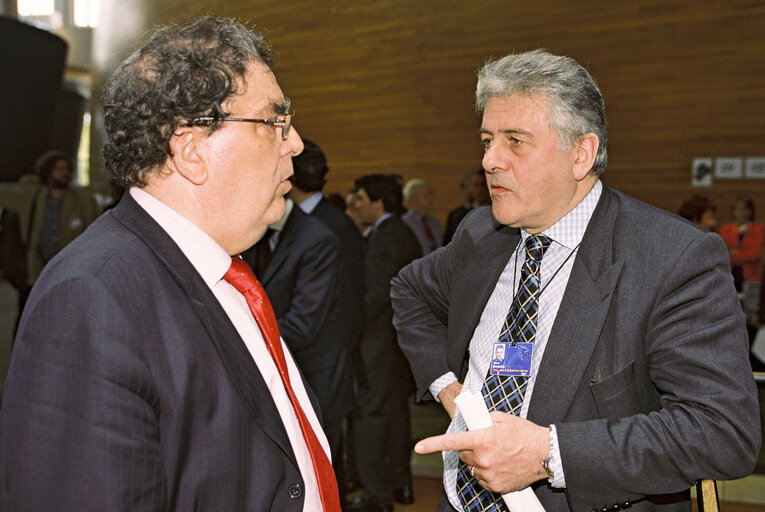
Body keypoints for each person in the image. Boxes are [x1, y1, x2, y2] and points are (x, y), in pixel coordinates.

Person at [390, 49, 760, 512]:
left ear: (581, 153)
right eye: (487, 140)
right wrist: (451, 390)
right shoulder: (481, 234)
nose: (489, 160)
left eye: (515, 141)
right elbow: (409, 291)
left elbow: (722, 432)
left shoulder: (672, 258)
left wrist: (548, 454)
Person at [0, 16, 342, 511]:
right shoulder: (91, 298)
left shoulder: (223, 269)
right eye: (275, 122)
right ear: (191, 151)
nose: (294, 143)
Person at [286, 139, 366, 500]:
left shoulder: (327, 228)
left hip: (323, 365)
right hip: (316, 362)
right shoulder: (319, 222)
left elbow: (349, 305)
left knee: (322, 470)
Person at [347, 174, 422, 512]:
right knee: (394, 418)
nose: (356, 205)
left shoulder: (385, 236)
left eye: (360, 198)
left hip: (379, 343)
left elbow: (377, 294)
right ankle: (400, 485)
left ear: (378, 203)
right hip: (397, 344)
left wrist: (347, 326)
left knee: (371, 417)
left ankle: (376, 495)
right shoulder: (400, 232)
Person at [26, 150, 99, 284]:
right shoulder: (38, 197)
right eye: (59, 169)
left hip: (72, 265)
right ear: (48, 172)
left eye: (67, 169)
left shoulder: (83, 199)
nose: (65, 173)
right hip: (42, 265)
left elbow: (93, 232)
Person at [720, 196, 764, 317]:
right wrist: (741, 253)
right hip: (730, 276)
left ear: (750, 211)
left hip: (751, 277)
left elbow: (755, 254)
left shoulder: (759, 229)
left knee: (751, 311)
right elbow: (723, 253)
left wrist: (734, 253)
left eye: (745, 209)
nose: (741, 212)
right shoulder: (726, 229)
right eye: (738, 209)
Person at [402, 178, 443, 255]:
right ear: (413, 198)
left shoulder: (434, 221)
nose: (430, 198)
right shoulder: (405, 223)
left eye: (431, 194)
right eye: (426, 195)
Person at [443, 173, 476, 245]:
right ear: (462, 189)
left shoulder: (484, 210)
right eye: (467, 186)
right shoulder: (454, 214)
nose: (470, 190)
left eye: (472, 186)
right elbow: (447, 240)